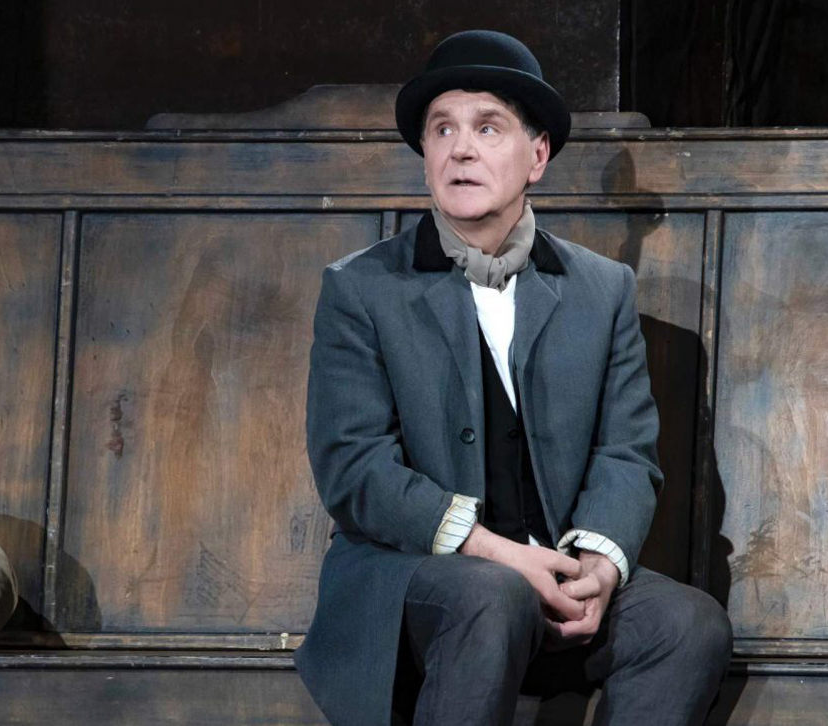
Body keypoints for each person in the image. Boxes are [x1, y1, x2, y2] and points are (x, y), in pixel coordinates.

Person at [296, 29, 733, 726]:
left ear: (537, 156)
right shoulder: (362, 289)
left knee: (688, 624)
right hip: (412, 583)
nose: (460, 149)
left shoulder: (602, 289)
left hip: (550, 574)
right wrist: (498, 554)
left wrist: (598, 569)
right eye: (443, 129)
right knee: (492, 595)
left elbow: (626, 453)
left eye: (487, 127)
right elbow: (354, 469)